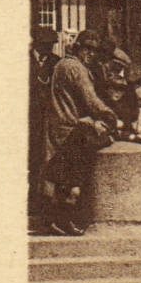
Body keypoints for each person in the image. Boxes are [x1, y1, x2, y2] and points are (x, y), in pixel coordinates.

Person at [41, 29, 118, 235]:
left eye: (94, 50)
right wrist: (110, 115)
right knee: (71, 177)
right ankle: (63, 221)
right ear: (79, 48)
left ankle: (56, 220)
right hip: (69, 129)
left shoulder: (63, 65)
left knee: (62, 175)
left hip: (59, 125)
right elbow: (90, 100)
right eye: (88, 49)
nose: (91, 54)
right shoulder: (75, 68)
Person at [29, 27, 60, 217]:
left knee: (42, 160)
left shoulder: (56, 63)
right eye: (45, 45)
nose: (48, 49)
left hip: (45, 120)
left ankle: (38, 202)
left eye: (51, 45)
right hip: (26, 119)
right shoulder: (22, 60)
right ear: (36, 43)